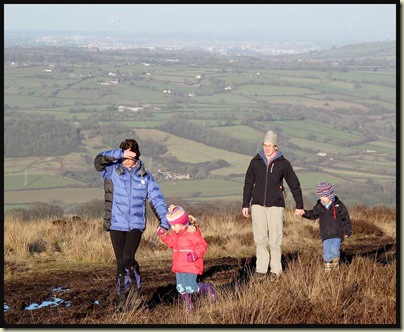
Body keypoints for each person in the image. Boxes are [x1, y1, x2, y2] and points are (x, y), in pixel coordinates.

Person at [94, 138, 170, 310]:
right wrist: (118, 154)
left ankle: (136, 289)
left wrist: (164, 222)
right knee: (120, 263)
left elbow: (156, 199)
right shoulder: (112, 171)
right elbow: (98, 161)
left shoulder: (145, 176)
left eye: (131, 155)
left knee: (129, 257)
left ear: (137, 155)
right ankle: (122, 299)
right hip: (116, 224)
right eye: (125, 155)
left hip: (136, 224)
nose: (128, 160)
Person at [242, 129, 304, 280]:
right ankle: (261, 269)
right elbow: (248, 184)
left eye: (270, 145)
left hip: (276, 205)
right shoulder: (255, 161)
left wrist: (299, 205)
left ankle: (276, 271)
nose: (267, 148)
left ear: (276, 146)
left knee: (275, 239)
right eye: (265, 145)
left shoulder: (283, 163)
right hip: (257, 205)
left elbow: (294, 184)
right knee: (260, 239)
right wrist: (245, 204)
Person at [157, 205, 216, 311]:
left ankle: (208, 288)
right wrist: (164, 236)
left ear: (182, 223)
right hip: (179, 266)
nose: (172, 228)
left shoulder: (191, 233)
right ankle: (189, 306)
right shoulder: (175, 234)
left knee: (190, 287)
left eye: (174, 225)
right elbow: (171, 243)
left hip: (191, 266)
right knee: (180, 288)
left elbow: (202, 245)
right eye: (171, 226)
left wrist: (195, 254)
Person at [297, 181, 352, 271]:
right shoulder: (319, 206)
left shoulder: (339, 205)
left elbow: (346, 218)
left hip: (337, 233)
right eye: (321, 196)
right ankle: (328, 272)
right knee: (326, 254)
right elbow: (313, 214)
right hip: (325, 235)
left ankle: (335, 267)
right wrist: (303, 213)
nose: (322, 198)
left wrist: (348, 231)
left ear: (330, 195)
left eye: (325, 196)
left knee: (334, 250)